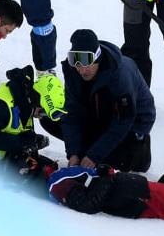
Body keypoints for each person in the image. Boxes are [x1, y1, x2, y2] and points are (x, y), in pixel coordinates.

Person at [55, 28, 155, 173]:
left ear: (98, 58)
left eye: (87, 64)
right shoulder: (73, 72)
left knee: (115, 164)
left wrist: (94, 156)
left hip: (132, 121)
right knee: (51, 120)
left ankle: (139, 148)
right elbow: (71, 114)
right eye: (77, 64)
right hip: (98, 115)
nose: (82, 71)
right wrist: (74, 153)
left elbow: (124, 119)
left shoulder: (120, 74)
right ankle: (89, 148)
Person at [0, 65, 67, 183]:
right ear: (38, 102)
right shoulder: (3, 105)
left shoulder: (24, 102)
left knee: (47, 169)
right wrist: (23, 142)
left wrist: (33, 141)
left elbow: (17, 132)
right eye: (43, 113)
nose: (41, 116)